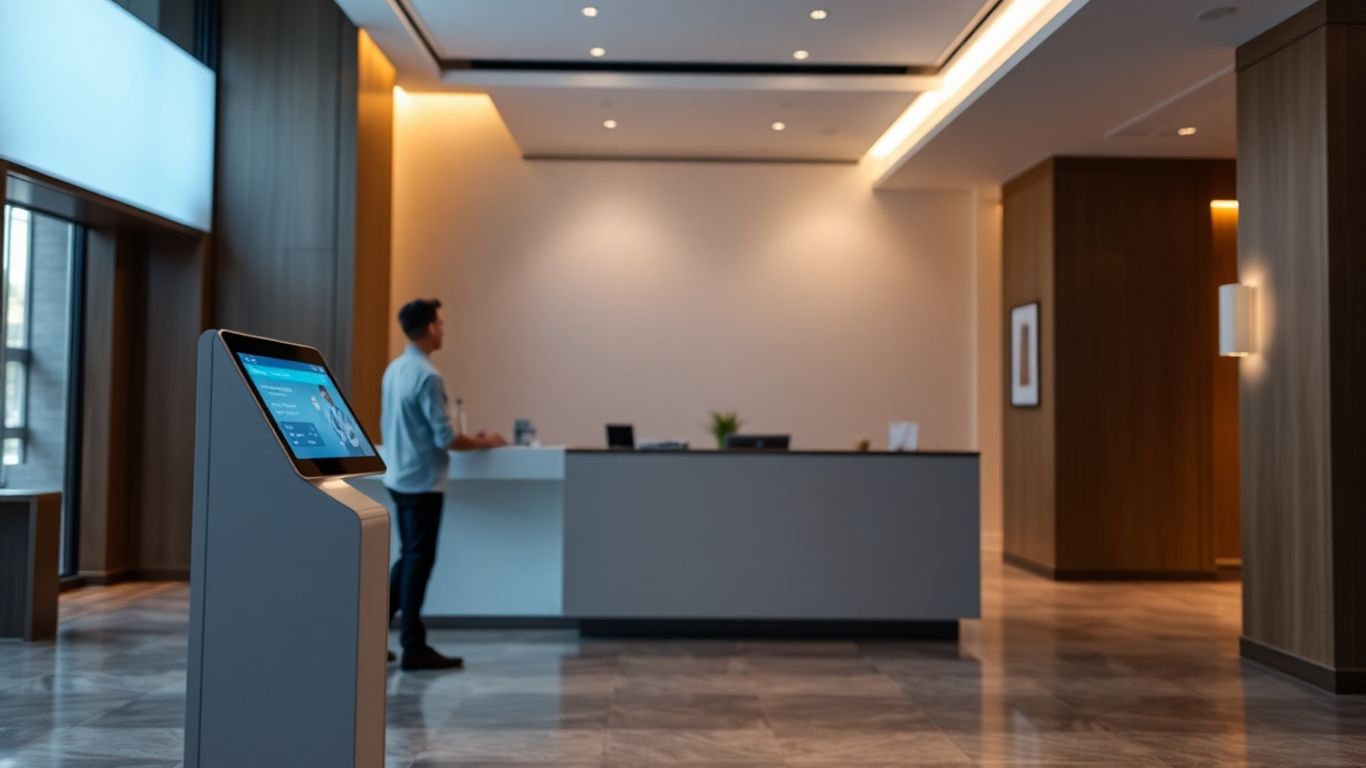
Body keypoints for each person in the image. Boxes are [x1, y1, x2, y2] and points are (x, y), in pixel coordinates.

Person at [382, 298, 506, 670]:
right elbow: (446, 438)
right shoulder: (429, 376)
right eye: (442, 323)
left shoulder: (394, 370)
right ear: (432, 328)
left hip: (398, 476)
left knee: (407, 560)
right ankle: (413, 647)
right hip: (422, 481)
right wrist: (487, 442)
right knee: (418, 562)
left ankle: (372, 638)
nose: (444, 329)